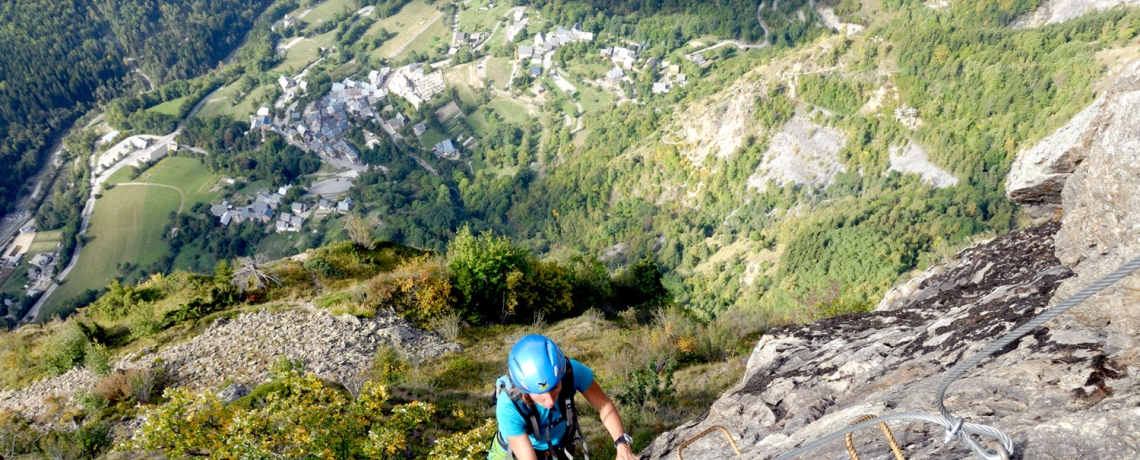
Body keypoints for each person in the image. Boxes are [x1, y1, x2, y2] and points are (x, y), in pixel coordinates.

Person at [488, 334, 639, 460]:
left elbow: (604, 405)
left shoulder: (571, 372)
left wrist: (622, 444)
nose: (550, 400)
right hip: (513, 454)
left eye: (554, 388)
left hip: (557, 447)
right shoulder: (509, 406)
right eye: (540, 394)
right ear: (524, 390)